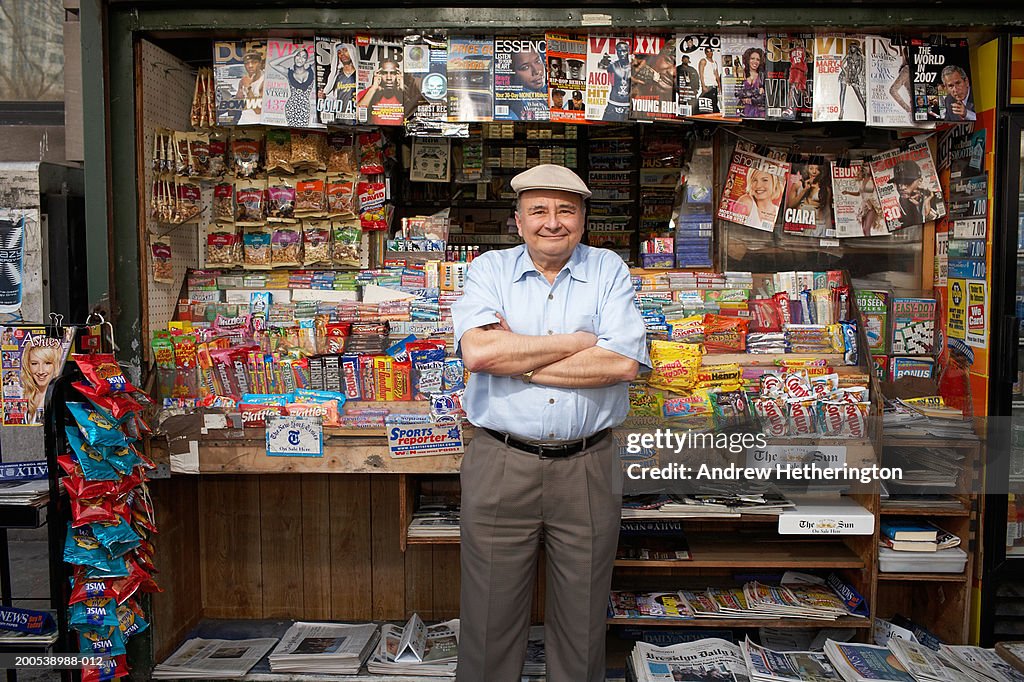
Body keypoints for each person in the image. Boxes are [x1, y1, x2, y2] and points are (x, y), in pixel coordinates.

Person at [452, 164, 649, 682]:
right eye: (538, 210)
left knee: (583, 619)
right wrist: (581, 341)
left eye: (566, 210)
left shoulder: (608, 269)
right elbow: (480, 352)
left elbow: (621, 364)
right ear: (518, 221)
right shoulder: (488, 269)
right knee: (488, 616)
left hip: (587, 464)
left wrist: (522, 358)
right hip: (501, 461)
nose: (552, 222)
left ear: (583, 220)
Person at [267, 46, 314, 127]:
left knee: (304, 131)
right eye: (298, 55)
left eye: (303, 57)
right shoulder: (289, 73)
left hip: (305, 107)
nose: (300, 59)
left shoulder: (311, 70)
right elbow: (272, 63)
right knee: (293, 131)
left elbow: (320, 58)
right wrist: (291, 55)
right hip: (291, 107)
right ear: (294, 57)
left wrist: (308, 61)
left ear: (306, 59)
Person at [21, 343, 61, 425]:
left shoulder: (61, 398)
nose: (41, 371)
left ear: (56, 365)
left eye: (47, 363)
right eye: (34, 364)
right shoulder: (21, 395)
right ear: (28, 365)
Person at [892, 159, 939, 228]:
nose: (901, 187)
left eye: (907, 182)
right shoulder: (903, 200)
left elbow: (935, 222)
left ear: (920, 181)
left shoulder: (934, 196)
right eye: (898, 182)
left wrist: (926, 209)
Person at [356, 59, 403, 125]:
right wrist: (373, 88)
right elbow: (356, 116)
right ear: (379, 75)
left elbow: (412, 112)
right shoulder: (369, 92)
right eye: (384, 73)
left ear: (398, 76)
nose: (388, 77)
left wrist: (402, 87)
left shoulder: (404, 92)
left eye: (393, 73)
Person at [321, 43, 357, 120]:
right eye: (339, 52)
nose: (342, 54)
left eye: (345, 50)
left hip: (357, 116)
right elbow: (331, 97)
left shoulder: (359, 75)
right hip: (340, 117)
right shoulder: (337, 75)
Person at [601, 41, 632, 121]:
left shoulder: (634, 67)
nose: (621, 54)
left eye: (624, 51)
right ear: (616, 52)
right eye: (619, 51)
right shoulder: (612, 66)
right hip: (613, 104)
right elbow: (612, 82)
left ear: (628, 51)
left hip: (628, 105)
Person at [235, 49, 265, 124]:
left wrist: (248, 87)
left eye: (254, 62)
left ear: (260, 63)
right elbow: (238, 103)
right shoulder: (244, 79)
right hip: (243, 120)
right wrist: (240, 91)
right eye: (247, 63)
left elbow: (258, 110)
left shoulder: (265, 80)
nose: (250, 66)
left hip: (257, 123)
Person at [839, 41, 866, 119]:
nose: (852, 48)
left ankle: (865, 110)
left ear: (856, 48)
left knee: (858, 93)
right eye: (851, 47)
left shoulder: (860, 57)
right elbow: (841, 64)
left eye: (853, 47)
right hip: (845, 74)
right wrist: (845, 72)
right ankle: (841, 110)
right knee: (842, 91)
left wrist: (856, 76)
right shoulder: (848, 56)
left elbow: (860, 68)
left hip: (854, 75)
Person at [736, 46, 766, 118]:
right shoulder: (741, 73)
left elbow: (764, 96)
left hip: (759, 112)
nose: (755, 62)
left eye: (758, 59)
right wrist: (757, 92)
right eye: (752, 58)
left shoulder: (762, 76)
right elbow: (737, 92)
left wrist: (750, 98)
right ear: (748, 60)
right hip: (743, 111)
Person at [698, 46, 721, 113]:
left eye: (710, 51)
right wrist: (703, 86)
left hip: (714, 87)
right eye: (707, 51)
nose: (709, 53)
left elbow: (717, 75)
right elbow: (701, 74)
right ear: (705, 53)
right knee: (706, 106)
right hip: (707, 86)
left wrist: (719, 86)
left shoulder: (714, 62)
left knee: (714, 104)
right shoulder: (703, 61)